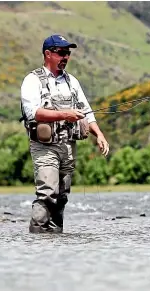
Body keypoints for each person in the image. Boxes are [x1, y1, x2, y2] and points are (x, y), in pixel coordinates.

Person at [20, 34, 110, 234]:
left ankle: (55, 240)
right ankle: (36, 238)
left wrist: (99, 135)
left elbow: (86, 111)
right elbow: (32, 113)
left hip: (68, 146)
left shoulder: (72, 82)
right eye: (61, 53)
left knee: (61, 196)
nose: (66, 57)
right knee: (47, 193)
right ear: (48, 54)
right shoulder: (32, 80)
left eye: (68, 53)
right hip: (44, 147)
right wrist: (65, 114)